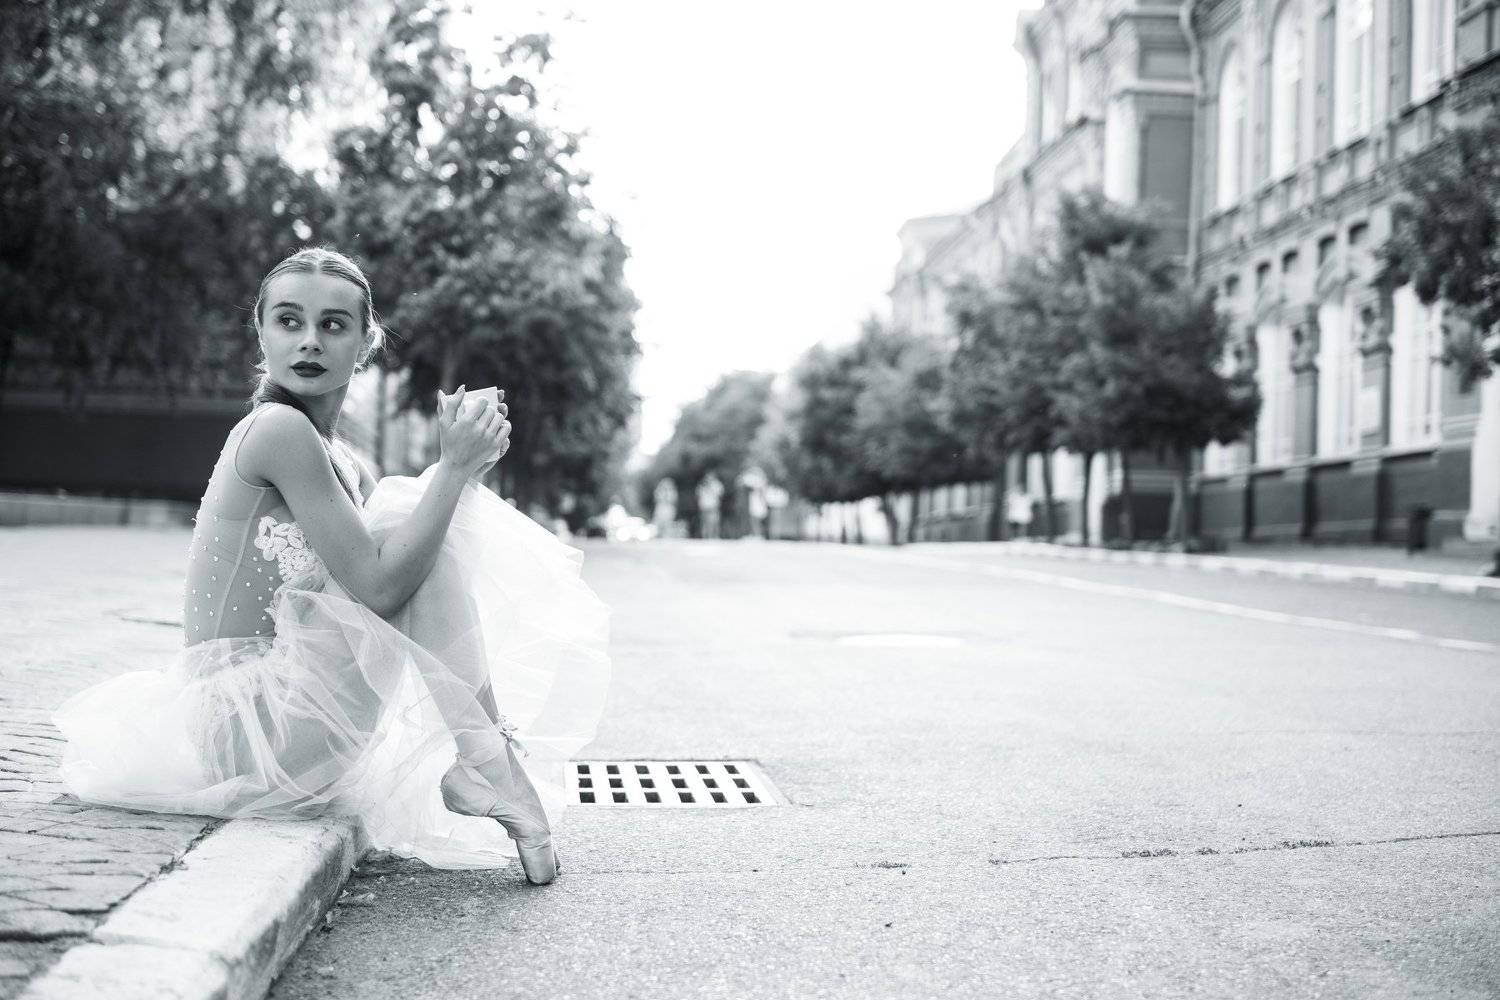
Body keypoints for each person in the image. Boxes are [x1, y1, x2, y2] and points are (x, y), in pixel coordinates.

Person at [51, 248, 610, 884]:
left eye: (333, 325)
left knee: (411, 526)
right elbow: (381, 588)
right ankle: (488, 762)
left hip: (301, 725)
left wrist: (464, 469)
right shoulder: (276, 430)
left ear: (365, 344)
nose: (310, 341)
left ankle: (487, 761)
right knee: (405, 525)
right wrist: (451, 470)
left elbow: (411, 577)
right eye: (289, 321)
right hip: (249, 735)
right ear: (262, 333)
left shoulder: (342, 459)